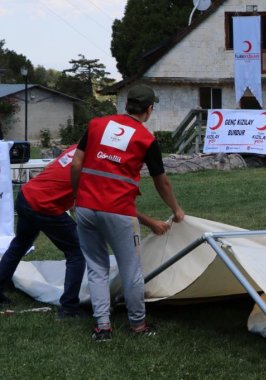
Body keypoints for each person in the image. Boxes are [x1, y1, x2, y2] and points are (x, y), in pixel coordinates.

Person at [71, 84, 185, 341]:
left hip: (86, 208)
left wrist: (78, 196)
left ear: (125, 105)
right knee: (130, 269)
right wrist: (176, 209)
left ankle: (102, 327)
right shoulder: (146, 139)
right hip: (119, 210)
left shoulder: (96, 125)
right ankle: (138, 325)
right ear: (149, 109)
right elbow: (161, 181)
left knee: (96, 267)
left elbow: (77, 163)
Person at [0, 145, 170, 315]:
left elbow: (49, 168)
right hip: (45, 206)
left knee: (20, 244)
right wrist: (152, 223)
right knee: (77, 252)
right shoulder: (100, 164)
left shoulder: (77, 148)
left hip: (27, 196)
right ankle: (69, 307)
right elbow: (119, 204)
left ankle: (1, 286)